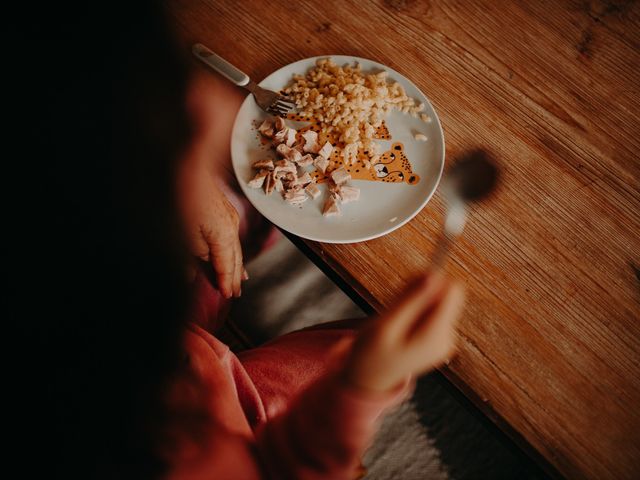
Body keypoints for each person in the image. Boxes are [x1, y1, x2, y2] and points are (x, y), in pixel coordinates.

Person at [31, 2, 465, 479]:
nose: (221, 106)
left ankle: (244, 226)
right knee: (370, 341)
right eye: (184, 125)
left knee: (232, 211)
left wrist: (191, 185)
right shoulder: (185, 462)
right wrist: (358, 389)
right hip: (238, 413)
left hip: (170, 345)